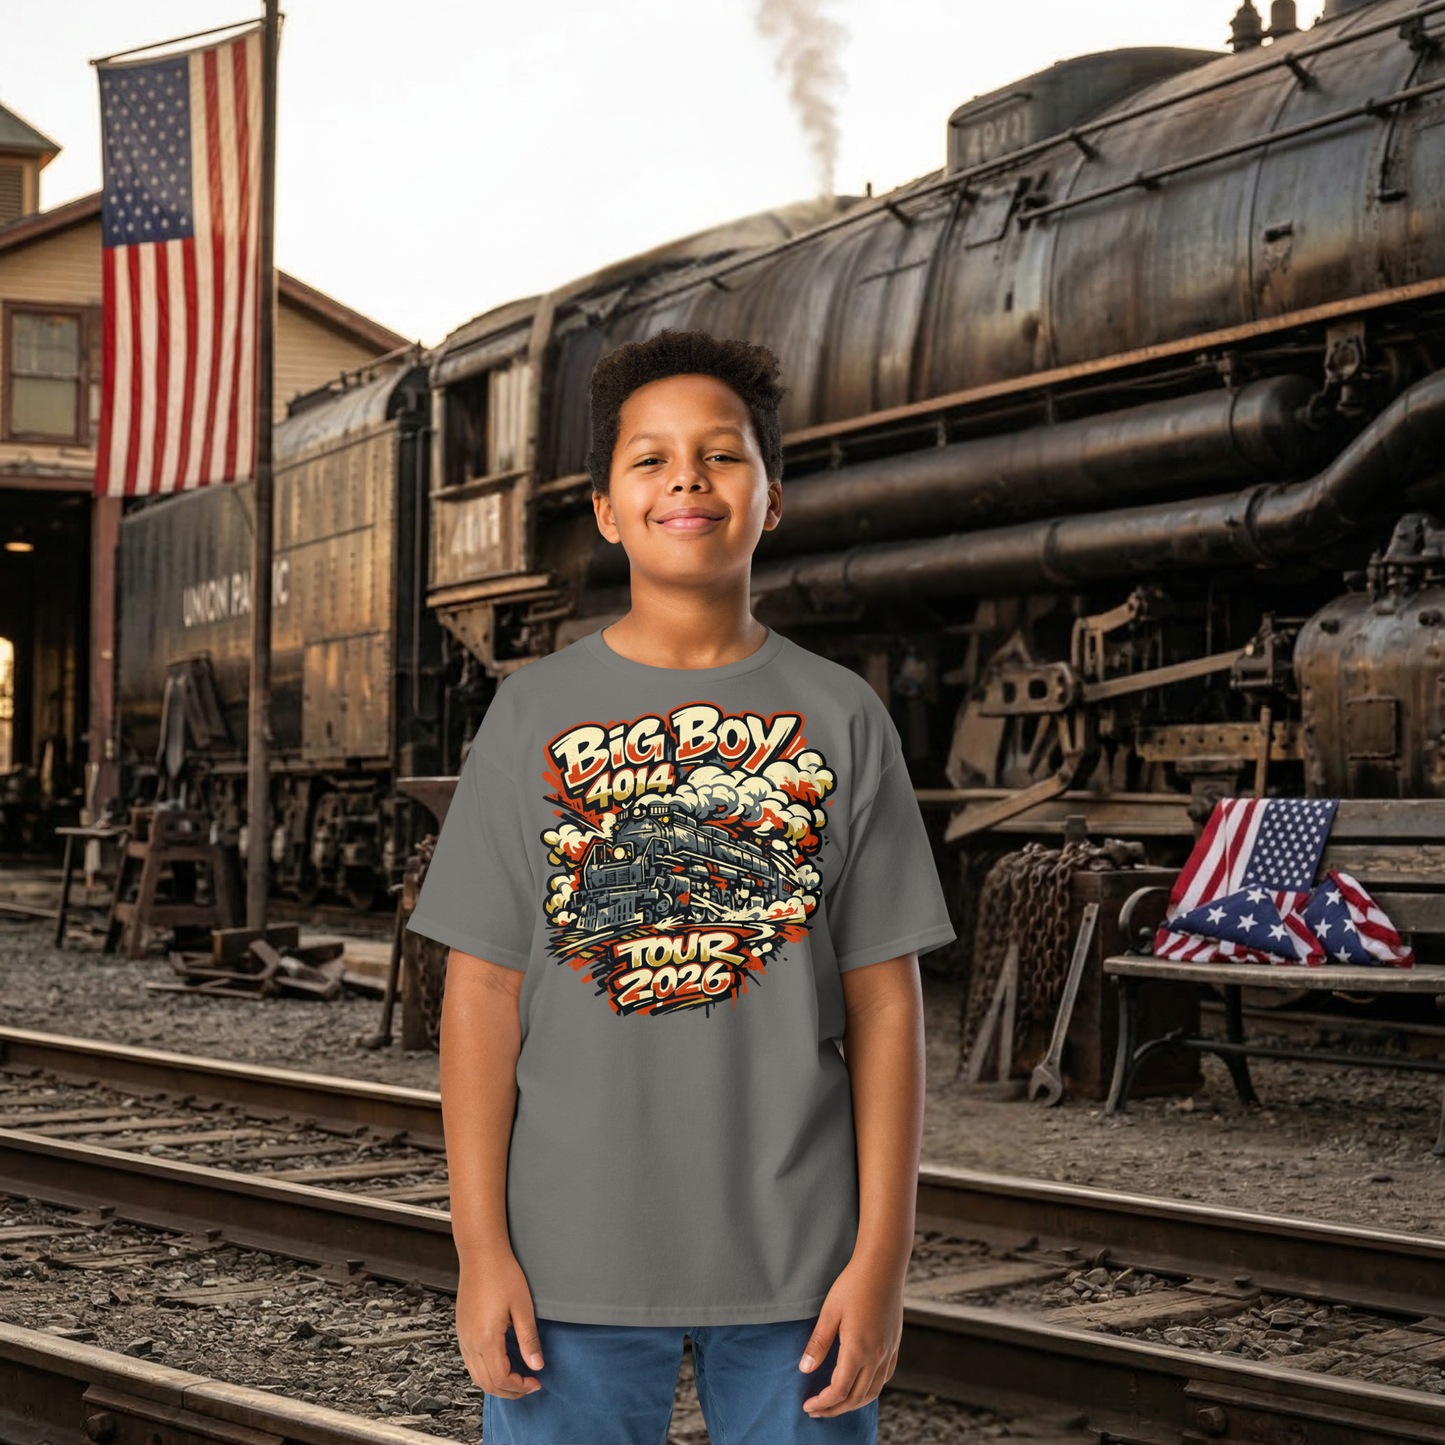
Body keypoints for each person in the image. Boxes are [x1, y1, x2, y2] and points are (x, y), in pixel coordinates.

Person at [407, 329, 955, 1445]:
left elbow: (886, 1003)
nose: (687, 478)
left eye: (721, 454)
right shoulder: (529, 714)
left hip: (800, 1257)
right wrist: (480, 1250)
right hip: (565, 1256)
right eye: (649, 459)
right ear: (607, 509)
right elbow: (480, 997)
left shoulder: (843, 714)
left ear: (772, 498)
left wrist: (882, 1259)